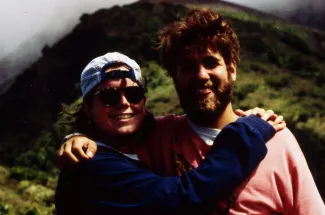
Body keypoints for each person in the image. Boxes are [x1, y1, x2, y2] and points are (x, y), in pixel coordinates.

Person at [58, 9, 325, 214]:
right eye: (187, 66)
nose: (201, 75)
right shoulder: (159, 138)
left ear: (232, 69)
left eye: (211, 62)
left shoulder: (278, 140)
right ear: (174, 76)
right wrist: (78, 140)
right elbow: (182, 194)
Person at [55, 52, 282, 215]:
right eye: (109, 96)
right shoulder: (92, 164)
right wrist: (248, 130)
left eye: (133, 94)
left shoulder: (144, 146)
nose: (123, 103)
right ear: (88, 109)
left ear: (143, 102)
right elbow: (184, 196)